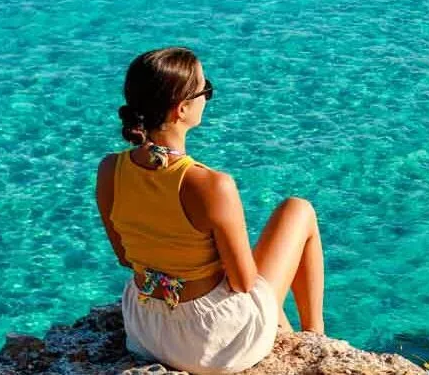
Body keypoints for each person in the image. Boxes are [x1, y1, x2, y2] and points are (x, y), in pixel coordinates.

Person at [95, 47, 325, 375]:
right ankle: (314, 337)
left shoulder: (109, 170)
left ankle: (292, 333)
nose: (208, 97)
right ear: (182, 108)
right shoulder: (210, 185)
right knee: (297, 210)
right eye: (206, 90)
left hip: (147, 328)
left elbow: (125, 257)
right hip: (209, 342)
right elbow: (244, 281)